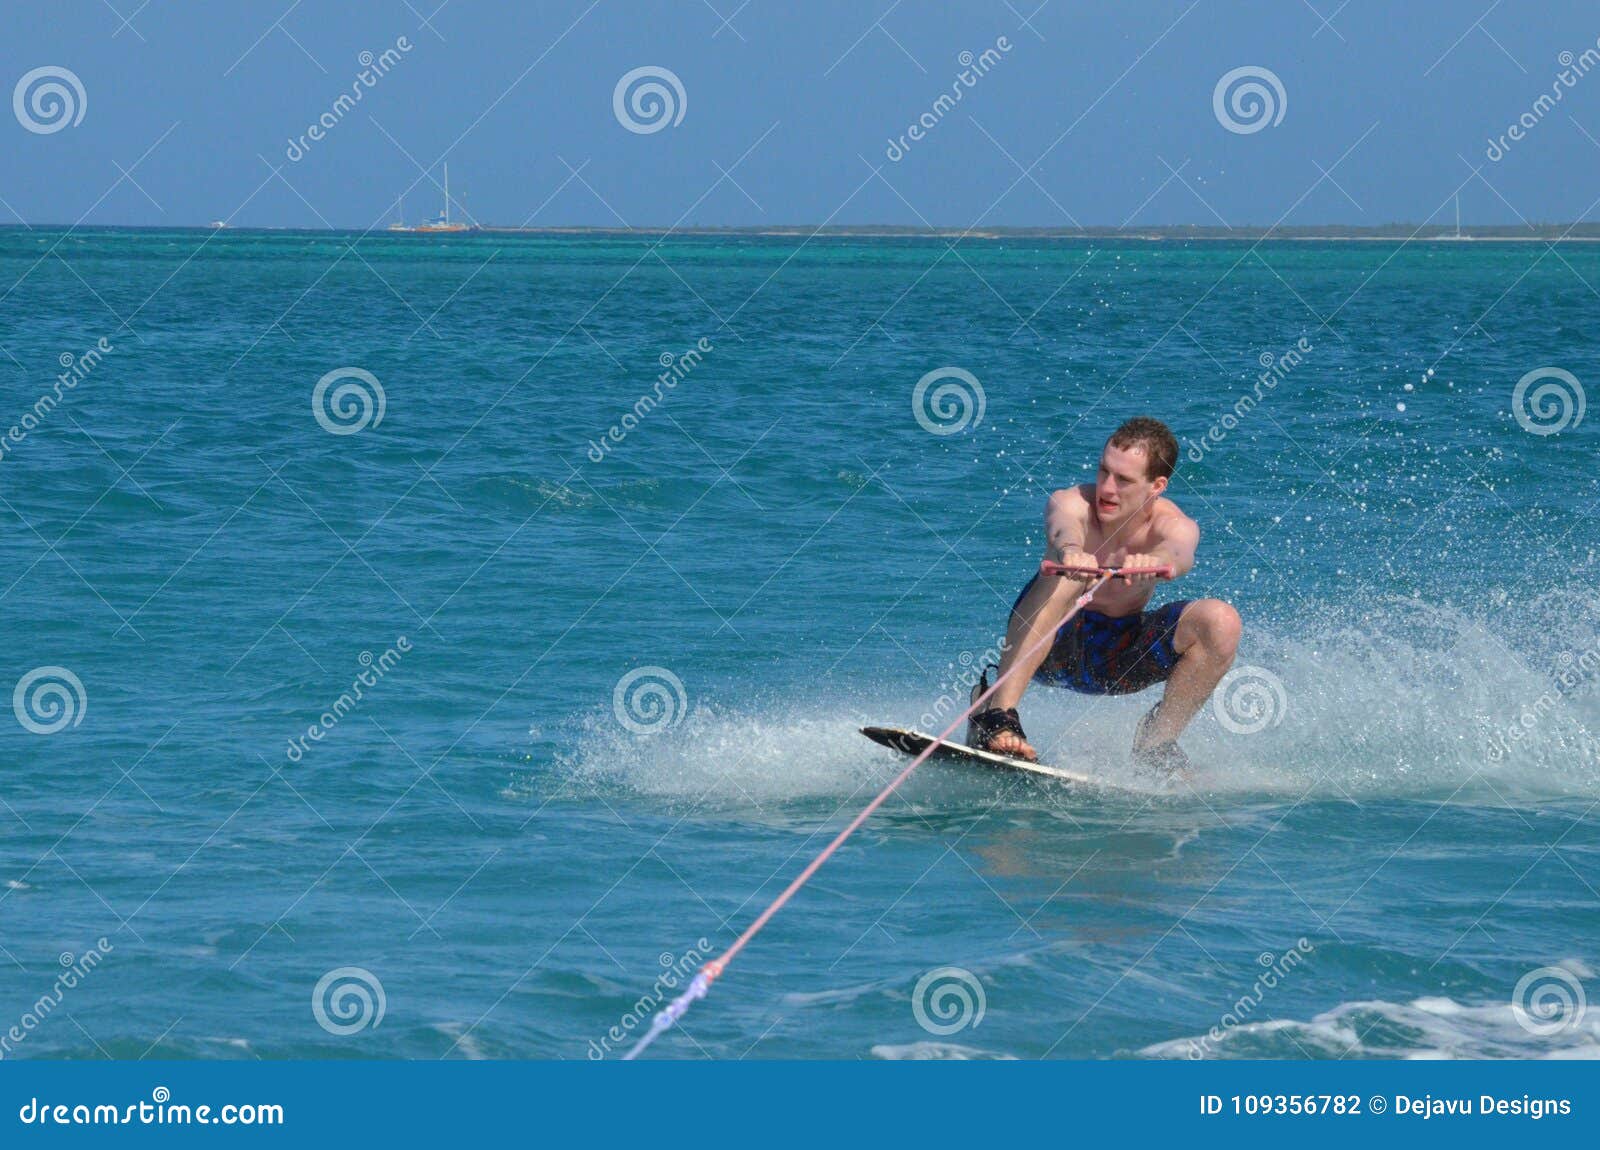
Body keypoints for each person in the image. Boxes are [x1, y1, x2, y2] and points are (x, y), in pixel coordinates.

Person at [968, 417, 1240, 771]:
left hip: (1118, 658)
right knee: (1069, 577)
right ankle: (998, 715)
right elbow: (1063, 526)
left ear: (1156, 486)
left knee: (1221, 621)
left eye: (1123, 480)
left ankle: (1155, 743)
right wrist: (1071, 550)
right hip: (1051, 648)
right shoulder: (1071, 502)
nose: (1107, 489)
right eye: (1103, 471)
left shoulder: (1173, 524)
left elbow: (1179, 553)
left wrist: (1156, 560)